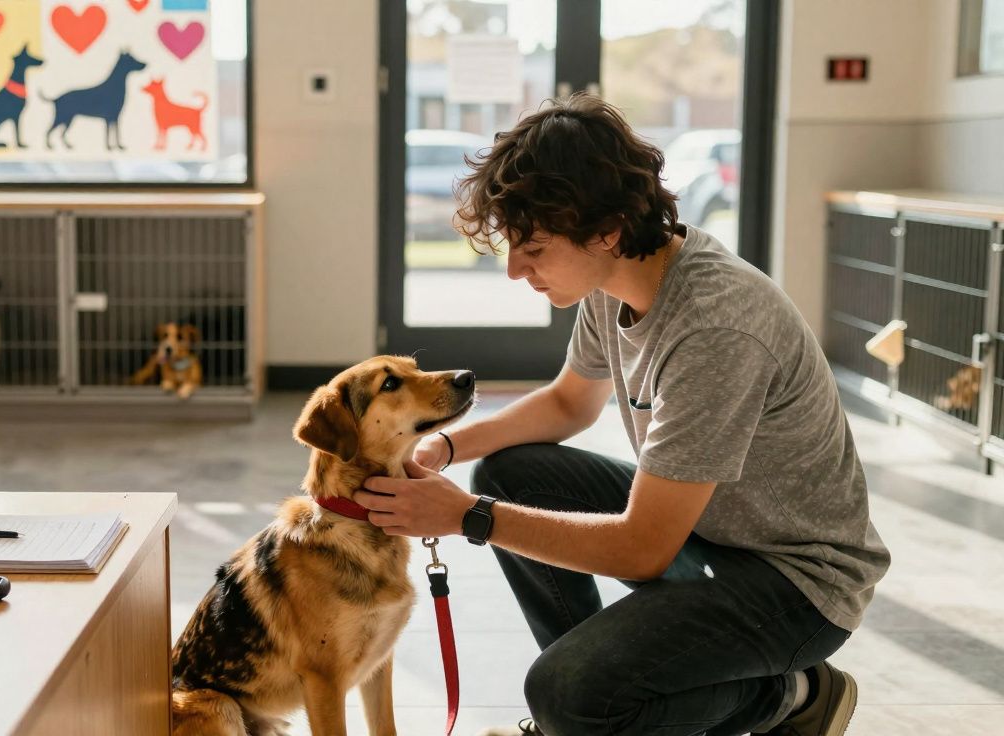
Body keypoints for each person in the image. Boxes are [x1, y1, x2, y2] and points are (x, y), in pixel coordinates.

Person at [352, 94, 891, 736]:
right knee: (511, 471)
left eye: (535, 248)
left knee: (562, 693)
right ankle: (602, 699)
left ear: (605, 230)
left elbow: (643, 550)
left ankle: (790, 697)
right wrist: (444, 451)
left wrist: (463, 517)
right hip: (710, 535)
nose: (515, 271)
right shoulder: (615, 280)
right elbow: (567, 404)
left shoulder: (715, 327)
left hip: (796, 585)